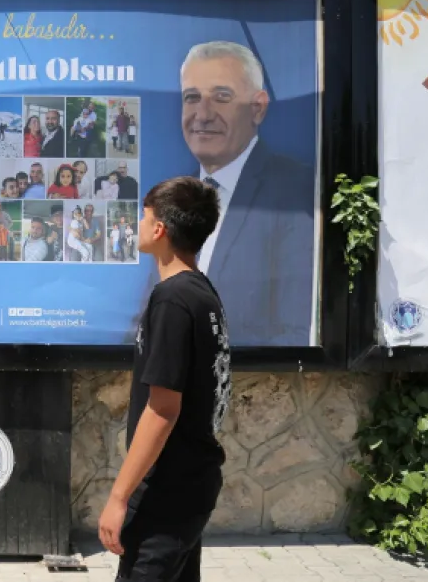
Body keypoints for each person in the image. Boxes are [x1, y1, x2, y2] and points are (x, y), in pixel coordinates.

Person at [98, 176, 229, 582]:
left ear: (160, 230)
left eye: (144, 216)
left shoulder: (173, 298)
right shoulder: (201, 291)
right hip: (191, 484)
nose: (138, 224)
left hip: (167, 493)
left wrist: (119, 498)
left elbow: (163, 409)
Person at [178, 40, 314, 345]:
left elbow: (297, 328)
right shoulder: (176, 196)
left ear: (258, 108)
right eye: (192, 97)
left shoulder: (295, 190)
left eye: (221, 97)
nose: (202, 114)